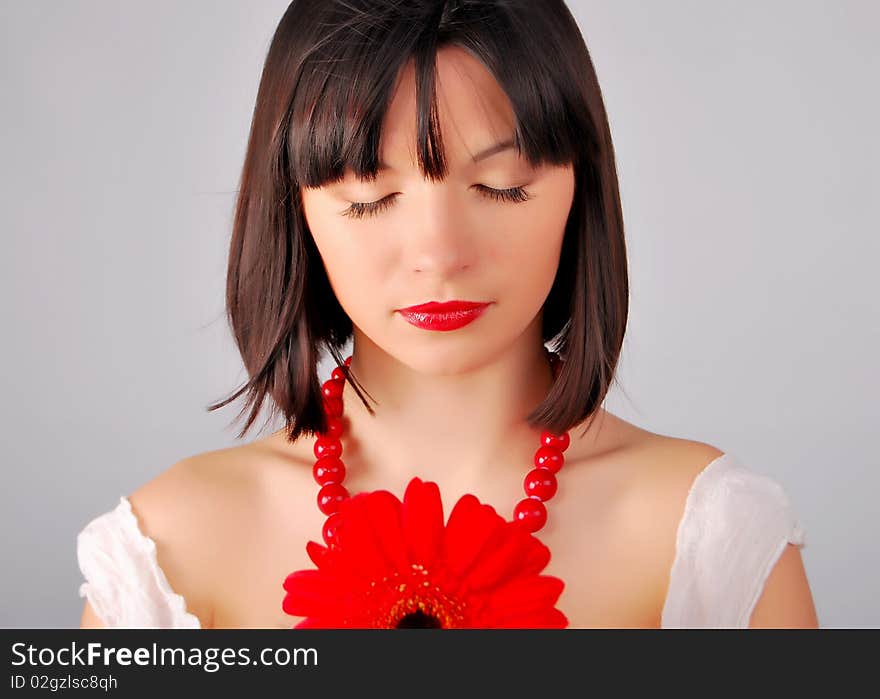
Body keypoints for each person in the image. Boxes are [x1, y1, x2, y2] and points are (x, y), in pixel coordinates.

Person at [76, 0, 818, 629]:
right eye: (369, 195)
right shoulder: (161, 548)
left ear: (579, 191)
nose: (439, 255)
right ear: (294, 209)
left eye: (500, 186)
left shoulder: (715, 536)